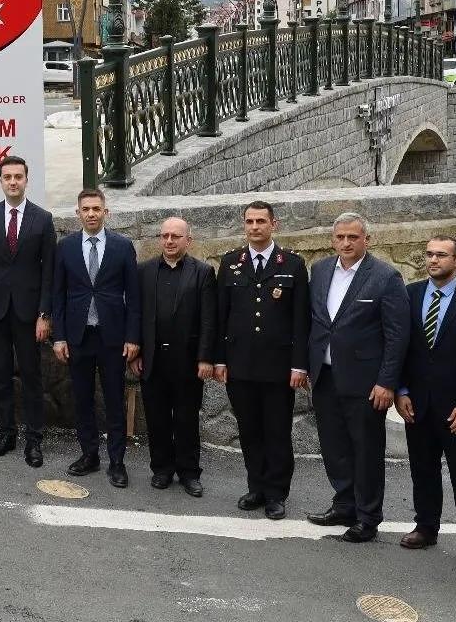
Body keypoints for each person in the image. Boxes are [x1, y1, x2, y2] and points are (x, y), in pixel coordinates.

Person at [305, 212, 410, 544]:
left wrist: (387, 382)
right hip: (325, 375)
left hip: (367, 382)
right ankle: (344, 504)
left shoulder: (385, 276)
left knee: (366, 449)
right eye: (340, 237)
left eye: (353, 237)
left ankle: (367, 517)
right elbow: (317, 320)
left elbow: (397, 335)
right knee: (334, 446)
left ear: (367, 239)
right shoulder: (320, 271)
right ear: (333, 239)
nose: (346, 243)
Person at [214, 200, 309, 521]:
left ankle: (276, 493)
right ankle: (256, 486)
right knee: (249, 430)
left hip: (278, 368)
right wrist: (219, 360)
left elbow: (300, 321)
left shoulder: (292, 265)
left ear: (274, 225)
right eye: (249, 222)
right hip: (239, 365)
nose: (255, 227)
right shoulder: (231, 264)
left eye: (260, 221)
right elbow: (220, 317)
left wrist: (299, 364)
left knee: (277, 431)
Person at [398, 236, 456, 569]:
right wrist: (401, 390)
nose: (433, 260)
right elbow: (401, 348)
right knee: (423, 470)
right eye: (429, 254)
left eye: (441, 255)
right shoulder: (409, 295)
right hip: (417, 403)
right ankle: (426, 527)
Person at [0, 155, 56, 468]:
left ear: (26, 179)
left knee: (32, 377)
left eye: (18, 176)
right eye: (8, 177)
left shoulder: (42, 219)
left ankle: (34, 439)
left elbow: (50, 272)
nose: (13, 182)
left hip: (29, 312)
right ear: (0, 180)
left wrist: (45, 314)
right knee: (1, 375)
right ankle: (6, 433)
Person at [51, 189, 140, 488]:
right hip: (78, 336)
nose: (91, 213)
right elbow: (58, 296)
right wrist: (59, 337)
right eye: (86, 209)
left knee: (114, 400)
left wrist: (132, 337)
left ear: (106, 212)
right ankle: (89, 454)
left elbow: (135, 297)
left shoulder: (122, 246)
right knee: (83, 399)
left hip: (112, 336)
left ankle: (117, 461)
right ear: (77, 213)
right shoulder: (65, 248)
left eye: (96, 208)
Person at [133, 217, 217, 496]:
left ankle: (190, 472)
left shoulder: (203, 272)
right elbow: (135, 313)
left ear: (188, 241)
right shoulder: (144, 271)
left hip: (188, 361)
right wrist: (134, 350)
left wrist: (205, 358)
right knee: (156, 419)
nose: (169, 241)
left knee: (186, 419)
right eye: (165, 236)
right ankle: (161, 469)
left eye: (176, 237)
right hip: (152, 359)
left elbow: (208, 319)